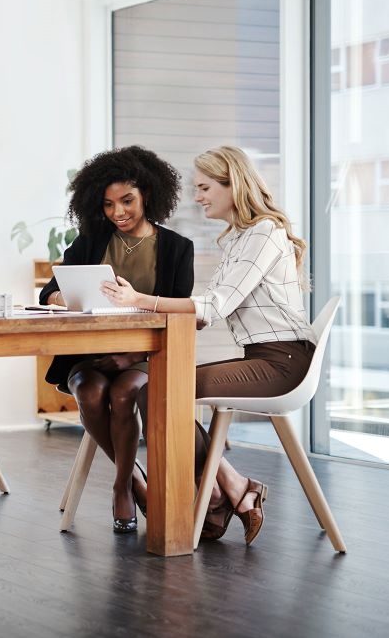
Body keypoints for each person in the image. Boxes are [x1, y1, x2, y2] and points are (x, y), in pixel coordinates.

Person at [99, 145, 316, 545]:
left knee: (161, 388)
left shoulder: (264, 233)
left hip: (284, 362)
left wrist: (142, 300)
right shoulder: (237, 239)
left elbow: (215, 305)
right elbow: (204, 313)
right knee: (153, 388)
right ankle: (228, 488)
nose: (197, 197)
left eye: (204, 187)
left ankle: (222, 494)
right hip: (261, 357)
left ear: (233, 184)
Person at [38, 146, 194, 533]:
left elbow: (177, 313)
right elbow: (48, 293)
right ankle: (137, 479)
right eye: (108, 204)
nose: (118, 212)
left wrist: (130, 356)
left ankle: (123, 485)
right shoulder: (92, 239)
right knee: (89, 393)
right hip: (90, 355)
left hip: (144, 357)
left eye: (127, 201)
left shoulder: (176, 248)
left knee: (124, 394)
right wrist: (63, 296)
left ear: (148, 195)